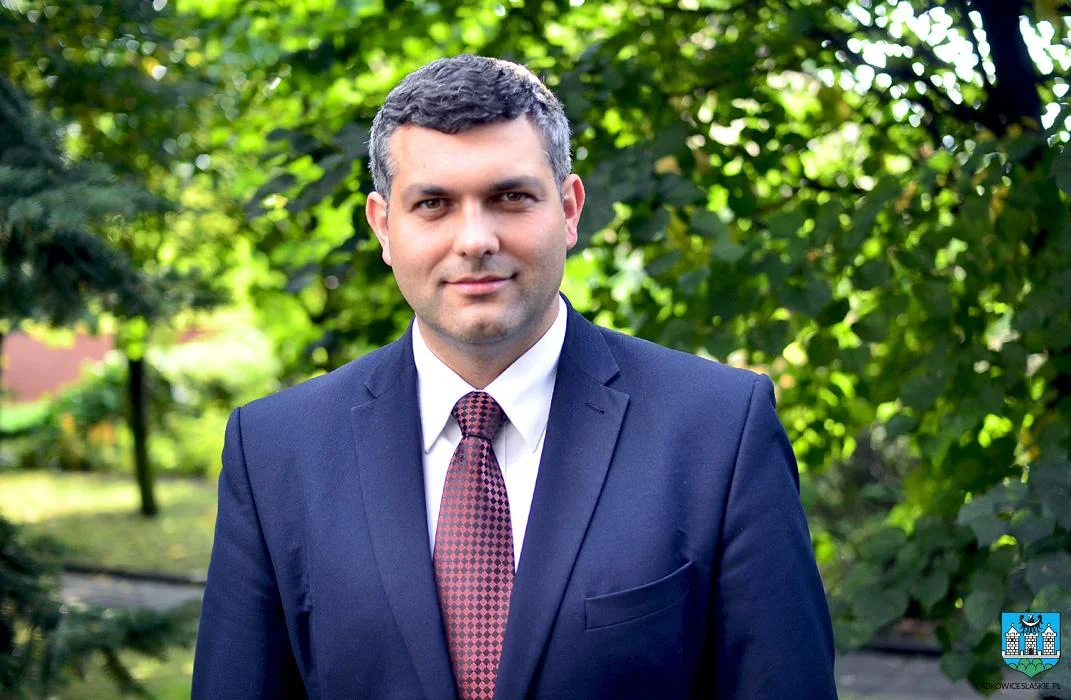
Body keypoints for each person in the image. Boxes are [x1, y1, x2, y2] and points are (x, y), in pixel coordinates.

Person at [192, 55, 837, 699]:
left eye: (510, 197)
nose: (475, 240)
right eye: (434, 204)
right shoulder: (275, 450)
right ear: (384, 226)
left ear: (569, 208)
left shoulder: (721, 432)